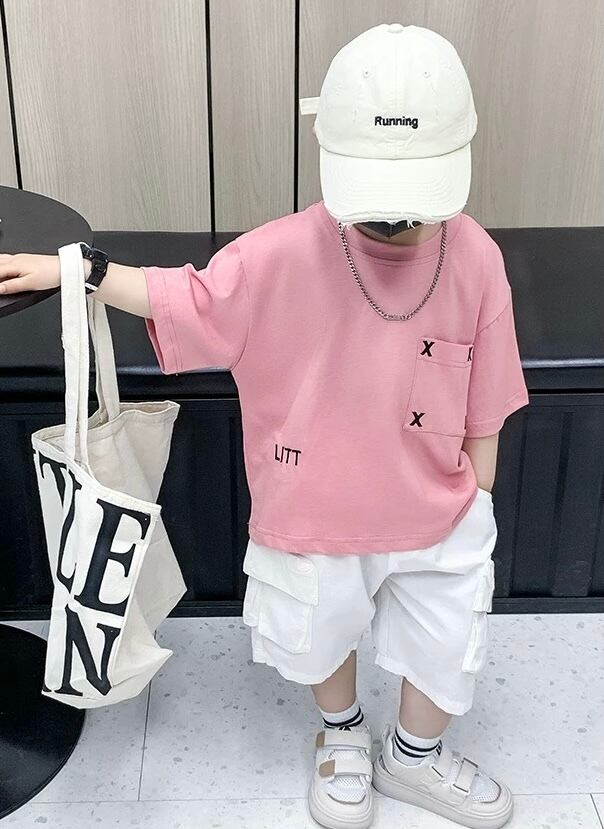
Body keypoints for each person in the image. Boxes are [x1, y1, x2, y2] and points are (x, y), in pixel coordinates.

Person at [0, 22, 529, 829]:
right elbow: (190, 296)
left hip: (440, 511)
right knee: (318, 634)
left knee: (447, 645)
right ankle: (343, 733)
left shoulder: (478, 258)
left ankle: (414, 756)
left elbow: (488, 389)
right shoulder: (281, 254)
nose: (394, 223)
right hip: (311, 509)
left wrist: (477, 493)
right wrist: (83, 272)